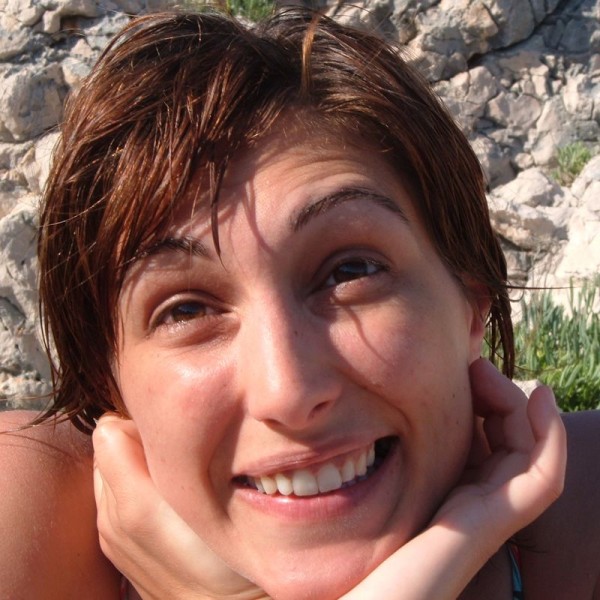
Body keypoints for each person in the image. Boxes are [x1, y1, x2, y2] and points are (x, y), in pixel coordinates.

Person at [0, 7, 595, 599]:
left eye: (351, 272)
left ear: (472, 305)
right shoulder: (24, 510)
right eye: (187, 310)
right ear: (109, 380)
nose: (287, 392)